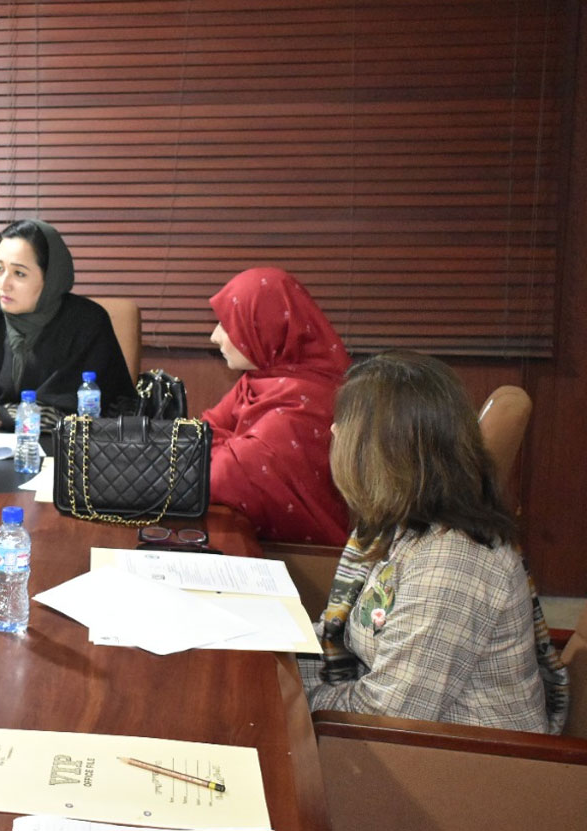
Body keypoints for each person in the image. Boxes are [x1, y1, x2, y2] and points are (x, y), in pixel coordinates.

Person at [302, 350, 568, 732]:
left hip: (462, 759)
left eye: (347, 422)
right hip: (415, 743)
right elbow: (347, 636)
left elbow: (389, 717)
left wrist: (287, 696)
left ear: (390, 450)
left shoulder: (452, 558)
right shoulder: (400, 523)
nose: (334, 431)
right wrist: (269, 654)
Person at [0, 219, 134, 437]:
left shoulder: (88, 324)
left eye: (19, 273)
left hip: (67, 454)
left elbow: (104, 413)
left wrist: (1, 416)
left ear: (50, 277)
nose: (4, 283)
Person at [201, 267, 350, 545]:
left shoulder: (306, 399)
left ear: (265, 329)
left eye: (227, 324)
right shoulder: (260, 379)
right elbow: (199, 434)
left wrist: (225, 446)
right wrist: (228, 446)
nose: (215, 336)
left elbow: (219, 476)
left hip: (309, 560)